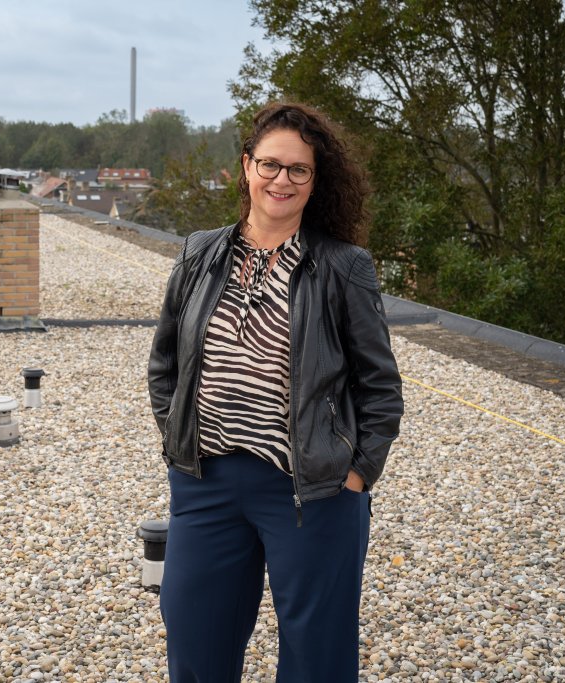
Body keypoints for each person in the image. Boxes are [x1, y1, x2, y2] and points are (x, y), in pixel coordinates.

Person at [147, 101, 404, 682]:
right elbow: (165, 366)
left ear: (316, 181)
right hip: (205, 486)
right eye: (270, 165)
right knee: (193, 643)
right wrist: (178, 438)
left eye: (298, 170)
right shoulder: (198, 254)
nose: (281, 180)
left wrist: (356, 475)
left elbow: (380, 387)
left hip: (309, 492)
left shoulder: (343, 267)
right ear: (246, 167)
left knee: (317, 659)